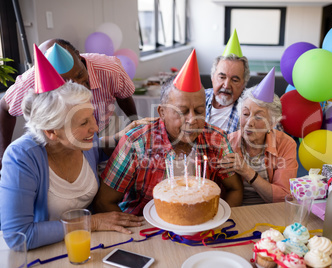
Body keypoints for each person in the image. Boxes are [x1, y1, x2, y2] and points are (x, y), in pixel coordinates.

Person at [0, 46, 143, 250]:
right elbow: (19, 236)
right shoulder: (20, 158)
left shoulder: (80, 142)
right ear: (51, 132)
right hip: (43, 254)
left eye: (92, 116)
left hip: (88, 245)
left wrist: (126, 135)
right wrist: (92, 222)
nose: (95, 127)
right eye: (84, 123)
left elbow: (98, 146)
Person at [94, 50, 243, 216]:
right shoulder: (136, 143)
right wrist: (136, 229)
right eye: (182, 111)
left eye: (199, 111)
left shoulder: (216, 139)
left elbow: (235, 189)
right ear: (162, 112)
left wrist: (217, 218)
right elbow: (104, 201)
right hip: (144, 227)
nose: (192, 119)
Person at [0, 38, 138, 169]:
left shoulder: (110, 70)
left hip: (104, 125)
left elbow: (124, 98)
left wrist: (134, 125)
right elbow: (4, 108)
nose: (78, 86)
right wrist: (2, 154)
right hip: (61, 138)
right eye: (66, 83)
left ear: (78, 56)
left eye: (79, 75)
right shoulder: (29, 82)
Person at [219, 68, 298, 205]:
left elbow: (282, 196)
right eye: (245, 114)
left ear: (272, 123)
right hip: (235, 210)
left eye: (259, 117)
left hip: (271, 211)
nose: (249, 122)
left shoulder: (286, 144)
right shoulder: (227, 143)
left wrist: (246, 171)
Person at [205, 29, 250, 134]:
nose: (226, 85)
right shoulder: (198, 98)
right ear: (212, 77)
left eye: (234, 80)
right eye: (221, 77)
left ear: (244, 84)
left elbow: (276, 138)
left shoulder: (251, 106)